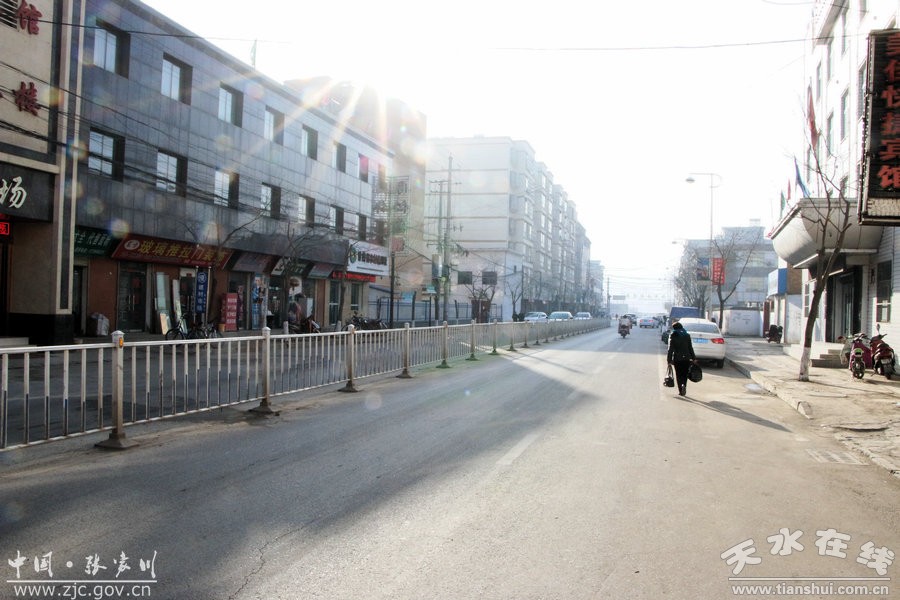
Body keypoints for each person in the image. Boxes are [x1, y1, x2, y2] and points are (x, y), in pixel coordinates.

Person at [667, 321, 698, 396]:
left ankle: (681, 390)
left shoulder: (674, 335)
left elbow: (671, 349)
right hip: (686, 359)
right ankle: (684, 385)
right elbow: (690, 348)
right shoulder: (687, 335)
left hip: (677, 359)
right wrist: (694, 358)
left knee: (678, 374)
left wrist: (669, 360)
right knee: (685, 374)